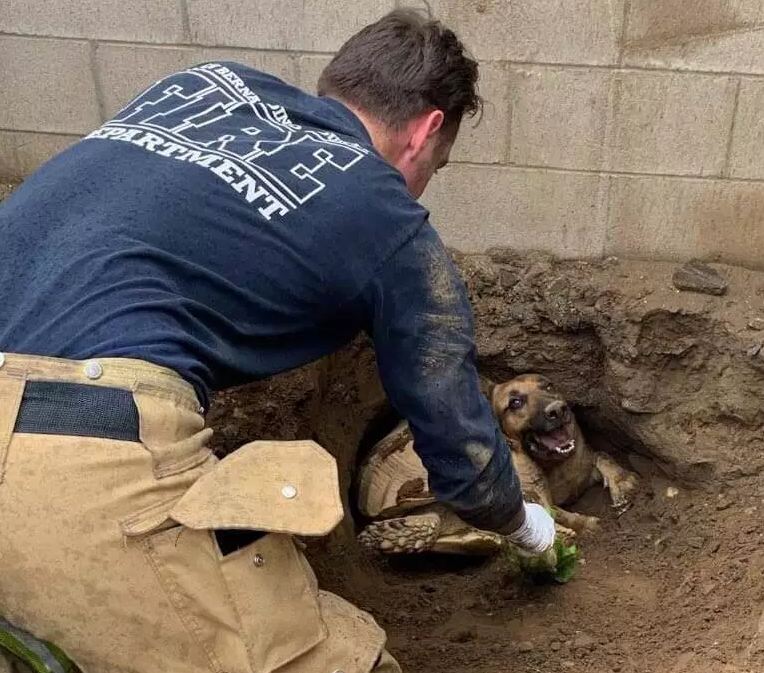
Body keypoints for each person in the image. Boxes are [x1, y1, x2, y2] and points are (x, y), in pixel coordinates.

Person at [0, 8, 555, 673]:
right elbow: (457, 434)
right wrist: (524, 526)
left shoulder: (203, 86)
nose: (424, 181)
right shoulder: (386, 215)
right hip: (76, 458)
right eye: (437, 164)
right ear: (426, 130)